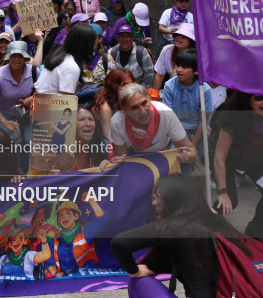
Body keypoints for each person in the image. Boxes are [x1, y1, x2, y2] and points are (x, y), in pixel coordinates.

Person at [111, 174, 248, 298]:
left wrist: (134, 270)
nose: (153, 202)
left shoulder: (176, 226)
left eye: (159, 196)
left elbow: (119, 243)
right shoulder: (218, 222)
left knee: (140, 281)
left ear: (175, 199)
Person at [212, 91, 263, 237]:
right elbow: (219, 157)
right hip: (224, 159)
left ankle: (255, 231)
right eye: (259, 98)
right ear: (247, 100)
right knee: (229, 201)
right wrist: (222, 193)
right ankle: (205, 227)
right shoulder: (232, 116)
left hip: (253, 161)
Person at [109, 83, 197, 163]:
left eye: (144, 103)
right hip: (134, 154)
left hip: (165, 149)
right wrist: (117, 161)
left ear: (149, 99)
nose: (143, 111)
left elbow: (191, 149)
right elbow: (121, 158)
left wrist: (189, 156)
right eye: (135, 108)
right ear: (125, 110)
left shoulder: (166, 114)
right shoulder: (117, 121)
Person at [0, 41, 39, 168]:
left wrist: (31, 99)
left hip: (26, 113)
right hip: (3, 112)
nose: (16, 59)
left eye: (20, 56)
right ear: (8, 57)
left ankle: (24, 170)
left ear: (25, 57)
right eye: (13, 55)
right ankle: (4, 171)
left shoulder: (34, 71)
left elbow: (44, 93)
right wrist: (5, 122)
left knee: (29, 141)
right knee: (3, 143)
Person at [162, 49, 212, 152]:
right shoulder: (169, 86)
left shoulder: (205, 89)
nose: (179, 70)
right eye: (178, 65)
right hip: (175, 129)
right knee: (177, 156)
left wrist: (192, 145)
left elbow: (203, 120)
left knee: (204, 157)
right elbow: (168, 117)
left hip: (197, 130)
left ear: (196, 71)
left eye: (184, 67)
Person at [34, 24, 98, 95]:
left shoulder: (61, 55)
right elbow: (67, 102)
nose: (94, 46)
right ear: (85, 45)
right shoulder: (71, 66)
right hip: (48, 104)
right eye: (93, 43)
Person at [92, 68, 135, 139]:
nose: (130, 89)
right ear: (114, 86)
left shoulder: (123, 99)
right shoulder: (104, 107)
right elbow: (108, 136)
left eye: (131, 85)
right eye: (125, 85)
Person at [152, 23, 196, 91]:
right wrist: (154, 97)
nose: (179, 37)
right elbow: (159, 76)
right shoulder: (167, 50)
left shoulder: (197, 56)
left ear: (191, 41)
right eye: (178, 34)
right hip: (171, 91)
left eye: (184, 36)